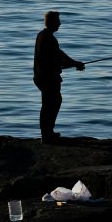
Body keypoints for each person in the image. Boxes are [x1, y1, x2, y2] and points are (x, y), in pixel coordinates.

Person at [33, 10, 85, 144]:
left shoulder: (41, 35)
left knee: (51, 103)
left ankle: (47, 132)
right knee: (51, 103)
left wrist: (73, 63)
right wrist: (75, 64)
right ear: (51, 22)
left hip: (41, 76)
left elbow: (57, 55)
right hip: (48, 78)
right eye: (58, 21)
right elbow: (58, 57)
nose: (60, 24)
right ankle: (46, 134)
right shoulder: (49, 38)